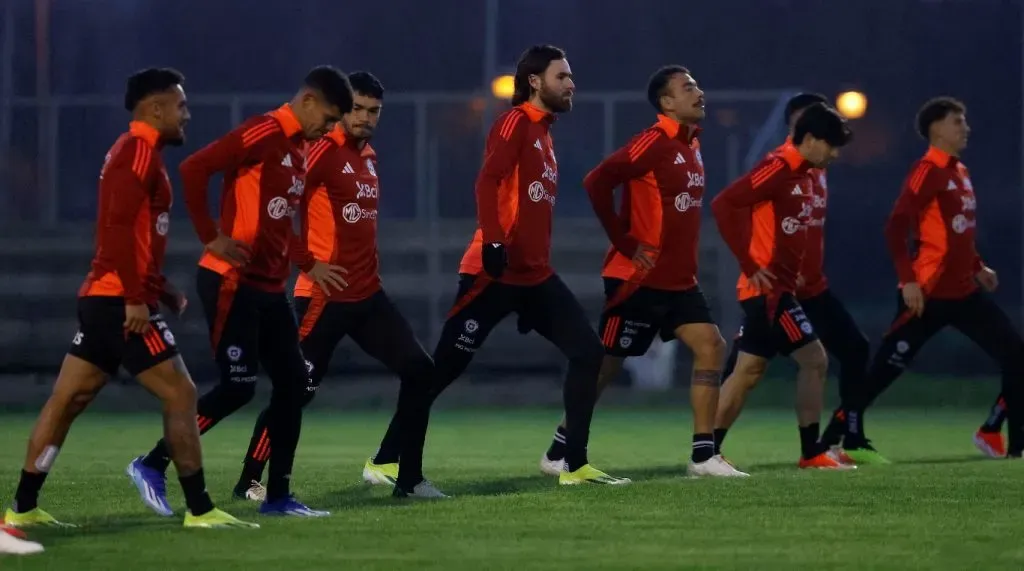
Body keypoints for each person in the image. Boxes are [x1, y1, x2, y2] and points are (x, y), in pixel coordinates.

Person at [368, 45, 629, 496]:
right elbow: (487, 180)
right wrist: (492, 241)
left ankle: (575, 463)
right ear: (534, 81)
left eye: (570, 76)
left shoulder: (545, 136)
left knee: (589, 352)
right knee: (441, 370)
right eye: (562, 76)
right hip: (494, 271)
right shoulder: (515, 123)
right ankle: (389, 462)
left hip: (535, 276)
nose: (571, 84)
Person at [5, 68, 254, 529]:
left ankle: (22, 507)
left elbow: (134, 235)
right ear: (155, 108)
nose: (187, 115)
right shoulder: (137, 152)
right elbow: (117, 229)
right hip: (120, 303)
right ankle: (200, 510)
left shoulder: (139, 153)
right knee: (181, 393)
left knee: (68, 400)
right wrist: (138, 299)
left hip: (108, 298)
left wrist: (161, 289)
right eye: (180, 106)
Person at [127, 66, 353, 517]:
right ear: (307, 100)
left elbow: (278, 221)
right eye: (328, 118)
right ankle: (151, 463)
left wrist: (303, 261)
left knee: (294, 382)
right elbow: (195, 168)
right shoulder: (263, 131)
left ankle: (279, 496)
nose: (329, 129)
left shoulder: (300, 149)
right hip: (232, 282)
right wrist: (211, 235)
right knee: (238, 388)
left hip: (270, 287)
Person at [229, 72, 434, 500]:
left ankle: (404, 477)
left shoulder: (369, 158)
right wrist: (309, 265)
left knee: (422, 372)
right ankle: (249, 479)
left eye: (373, 111)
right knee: (295, 391)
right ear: (342, 108)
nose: (364, 118)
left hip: (367, 294)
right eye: (357, 108)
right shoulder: (321, 151)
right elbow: (277, 212)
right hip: (325, 297)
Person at [537, 65, 745, 478]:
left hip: (679, 281)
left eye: (698, 84)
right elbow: (597, 182)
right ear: (666, 102)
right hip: (637, 279)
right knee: (606, 364)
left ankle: (704, 455)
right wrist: (625, 242)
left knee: (712, 345)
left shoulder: (692, 143)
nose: (699, 92)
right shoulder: (652, 143)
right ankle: (560, 450)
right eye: (688, 87)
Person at [828, 97, 1024, 459]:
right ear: (936, 128)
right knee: (884, 371)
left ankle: (1001, 437)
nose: (965, 128)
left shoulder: (959, 172)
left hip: (964, 292)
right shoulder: (927, 170)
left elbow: (957, 232)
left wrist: (978, 266)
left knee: (1017, 357)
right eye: (957, 121)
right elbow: (895, 227)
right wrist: (909, 281)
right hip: (928, 293)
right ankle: (833, 439)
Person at [721, 93, 869, 466]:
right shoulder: (778, 167)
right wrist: (750, 262)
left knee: (747, 372)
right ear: (812, 139)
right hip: (769, 293)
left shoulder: (804, 173)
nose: (835, 155)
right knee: (814, 359)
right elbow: (725, 204)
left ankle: (706, 450)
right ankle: (811, 450)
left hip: (782, 290)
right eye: (832, 146)